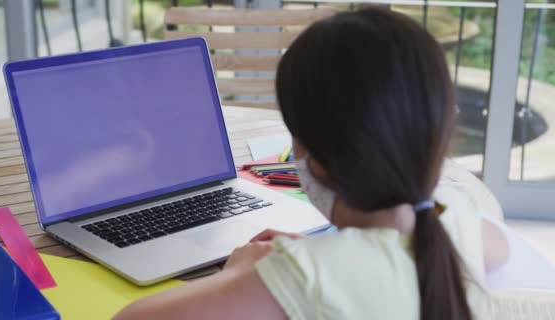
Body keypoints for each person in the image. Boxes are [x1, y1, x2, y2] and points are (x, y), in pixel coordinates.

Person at [114, 7, 509, 320]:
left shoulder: (304, 278)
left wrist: (243, 274)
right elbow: (499, 249)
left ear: (316, 162)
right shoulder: (452, 215)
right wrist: (330, 254)